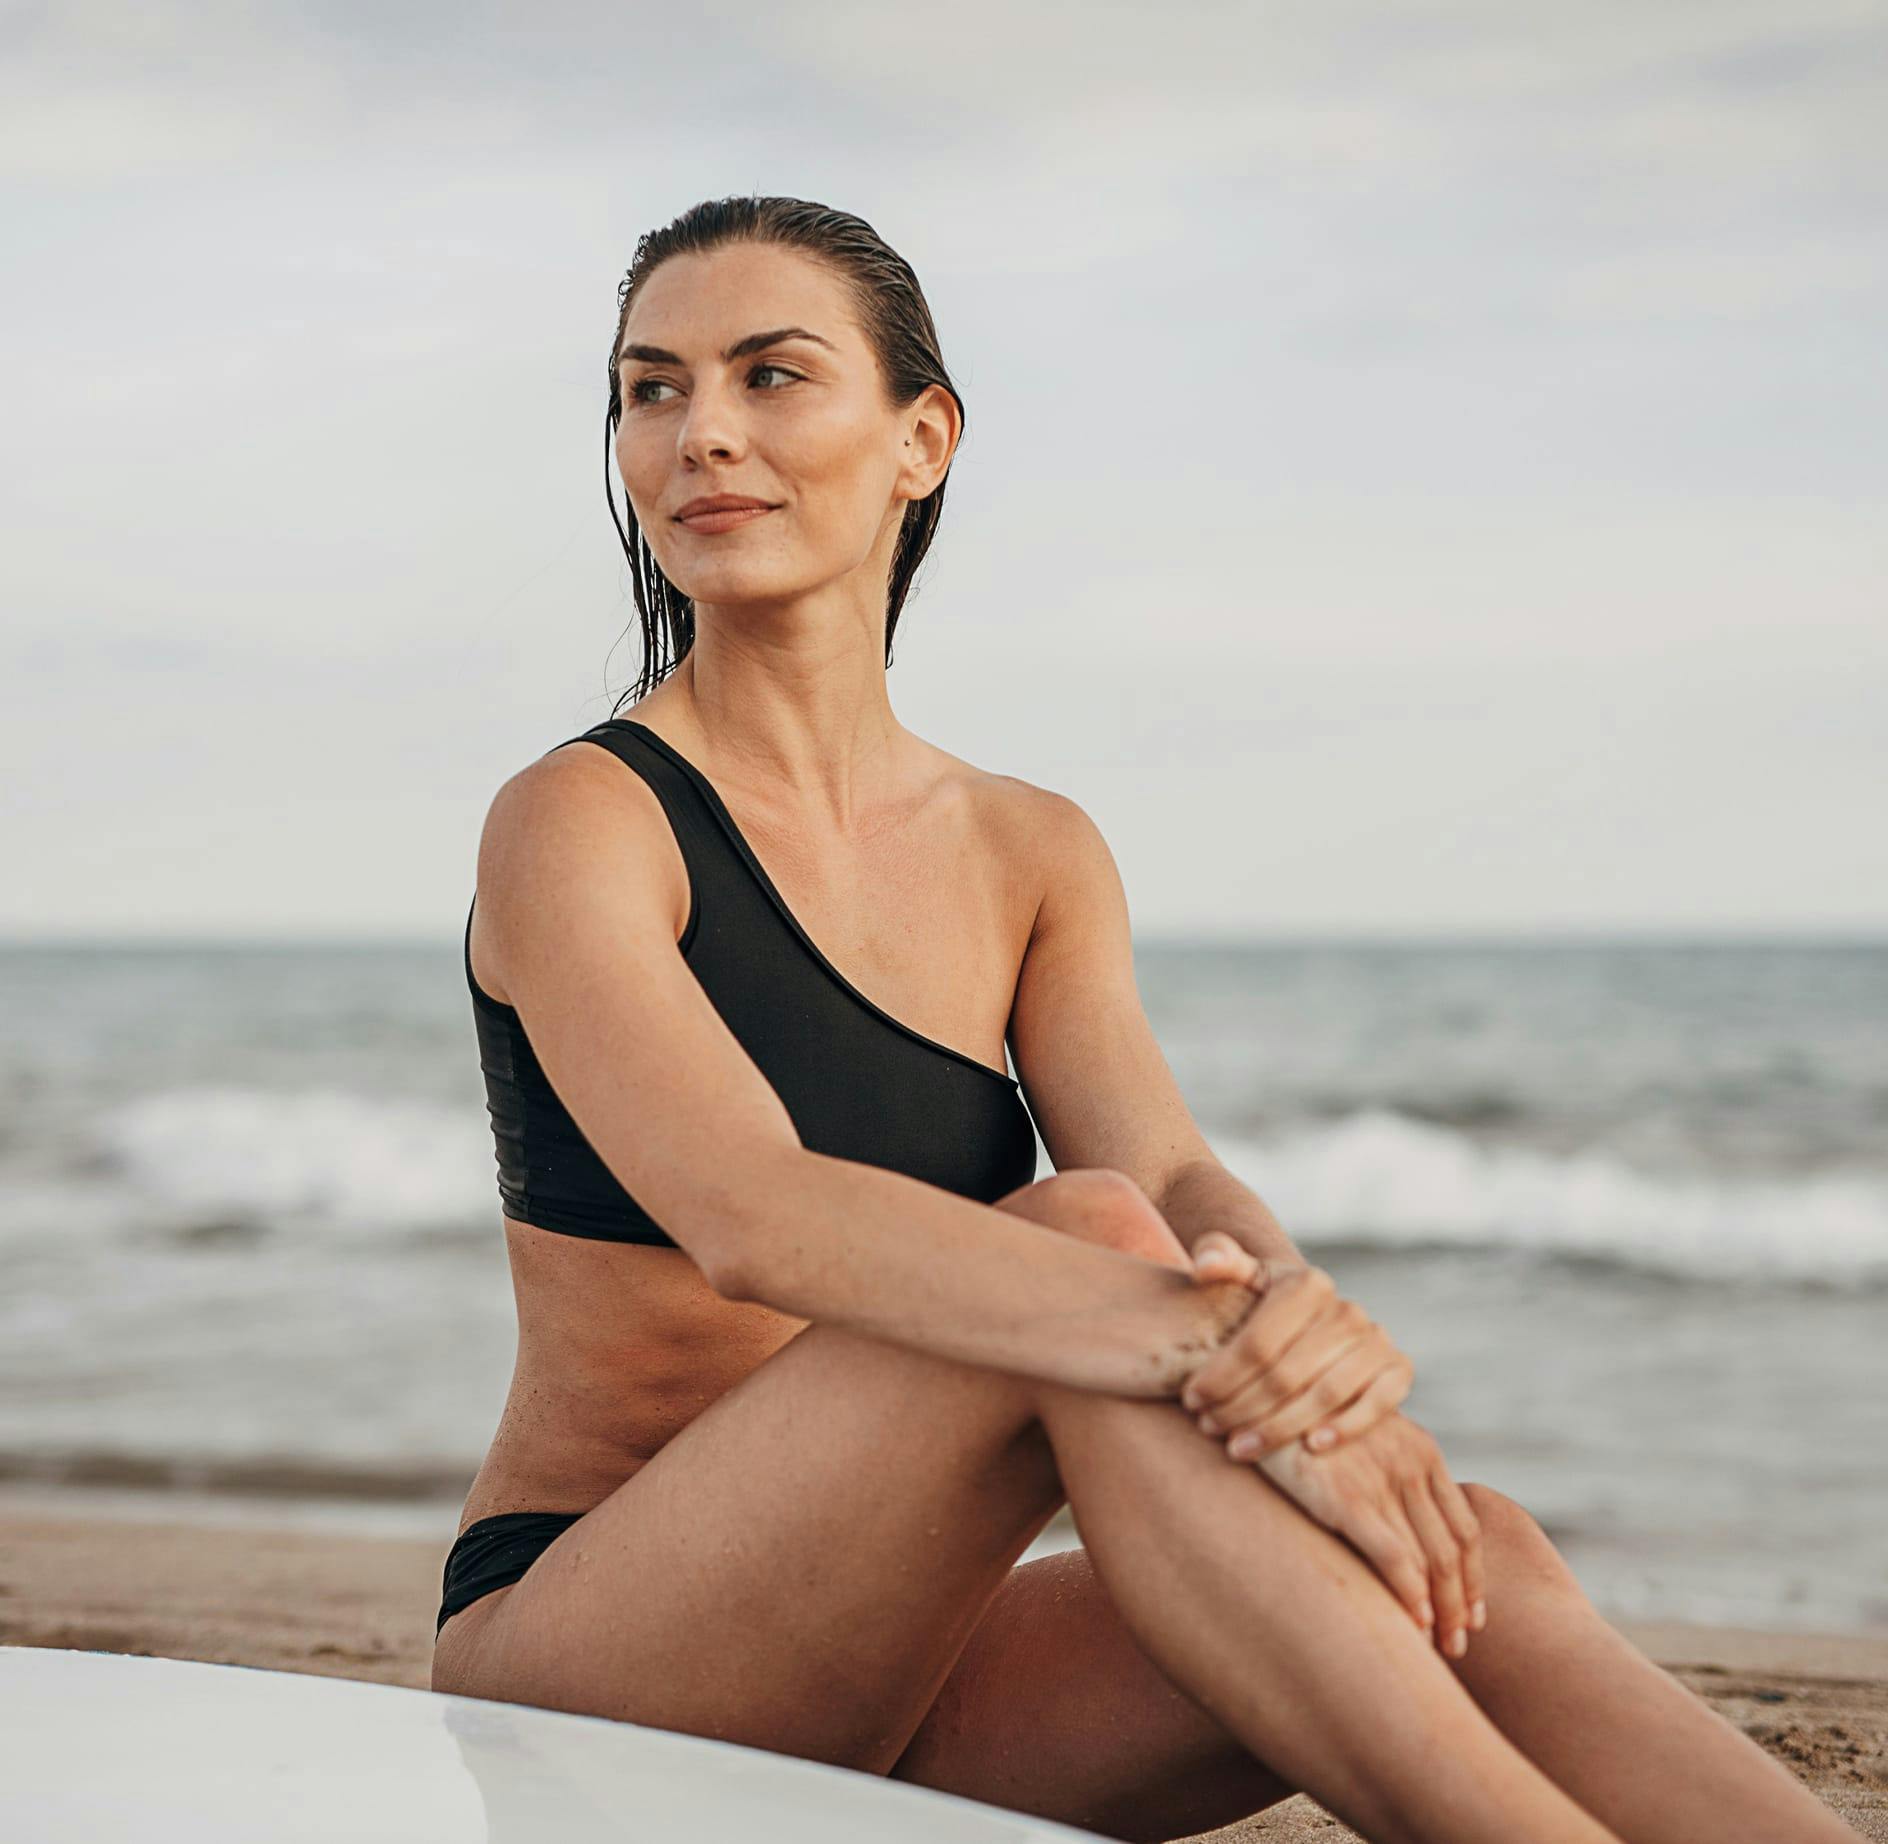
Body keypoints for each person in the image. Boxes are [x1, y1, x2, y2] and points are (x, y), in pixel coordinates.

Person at [429, 194, 1849, 1844]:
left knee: (1473, 1559)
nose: (701, 436)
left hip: (898, 1671)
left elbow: (1173, 1180)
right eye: (651, 388)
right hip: (595, 1670)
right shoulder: (581, 818)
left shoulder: (1032, 848)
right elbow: (756, 1218)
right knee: (1089, 1237)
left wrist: (1306, 1342)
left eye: (772, 375)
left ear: (922, 440)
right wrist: (1197, 1327)